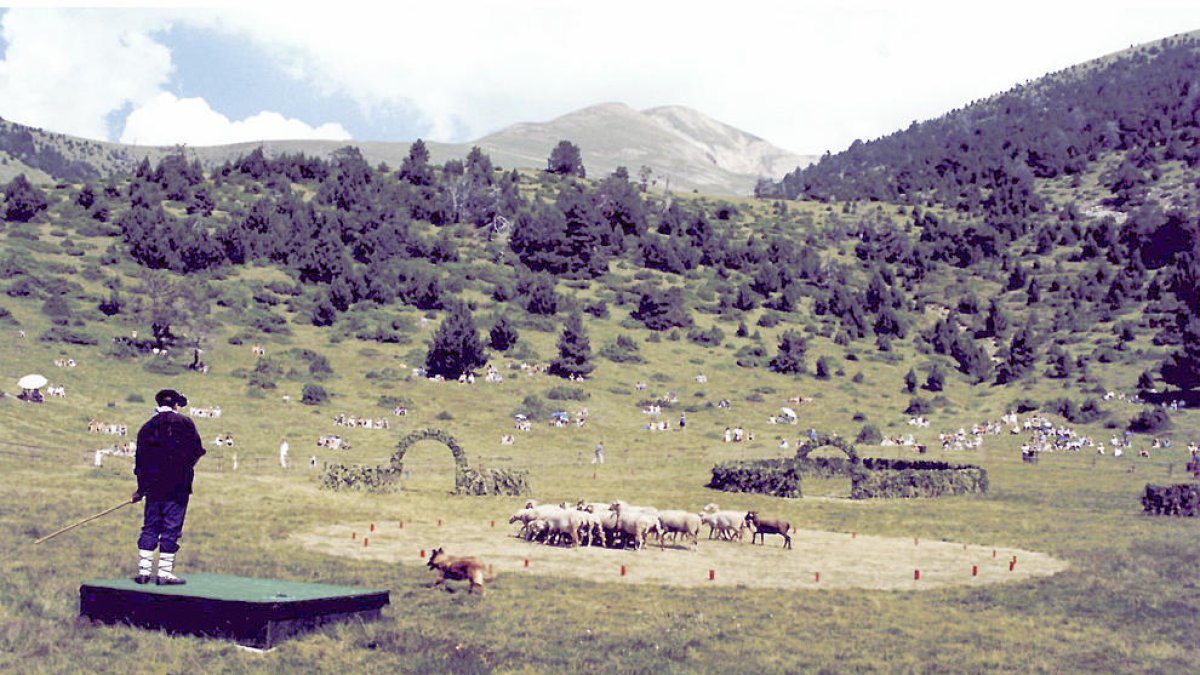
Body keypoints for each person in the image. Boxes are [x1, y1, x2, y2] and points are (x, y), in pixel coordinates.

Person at [131, 389, 205, 586]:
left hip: (153, 488)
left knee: (150, 527)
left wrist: (140, 489)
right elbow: (197, 452)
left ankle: (144, 572)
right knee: (171, 528)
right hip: (178, 487)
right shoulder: (186, 423)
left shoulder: (147, 427)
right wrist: (185, 468)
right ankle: (164, 574)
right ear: (176, 405)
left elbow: (140, 462)